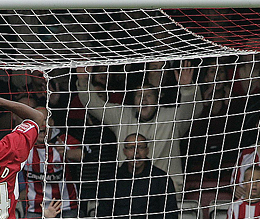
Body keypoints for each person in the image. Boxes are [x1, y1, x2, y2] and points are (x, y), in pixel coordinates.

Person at [75, 63, 202, 194]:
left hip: (166, 193)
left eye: (148, 96)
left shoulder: (172, 117)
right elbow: (94, 105)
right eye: (139, 96)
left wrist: (187, 88)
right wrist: (83, 81)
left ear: (157, 99)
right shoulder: (122, 116)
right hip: (129, 192)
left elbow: (194, 110)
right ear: (133, 100)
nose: (143, 100)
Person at [93, 134, 179, 219]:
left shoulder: (161, 179)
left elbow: (171, 215)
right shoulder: (113, 179)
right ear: (124, 151)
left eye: (140, 147)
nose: (136, 152)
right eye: (131, 148)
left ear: (147, 150)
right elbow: (102, 212)